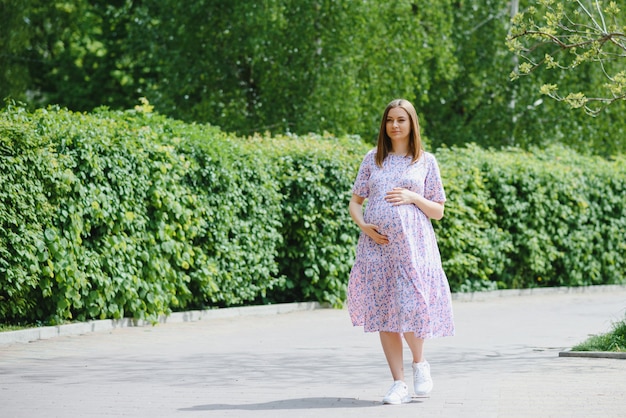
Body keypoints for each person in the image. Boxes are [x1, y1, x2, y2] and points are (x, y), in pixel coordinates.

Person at [347, 98, 455, 405]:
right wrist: (365, 226)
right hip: (377, 247)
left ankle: (419, 363)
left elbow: (438, 211)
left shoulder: (425, 160)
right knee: (385, 313)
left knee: (411, 305)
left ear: (412, 124)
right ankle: (398, 384)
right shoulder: (372, 159)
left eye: (401, 120)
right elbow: (356, 202)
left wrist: (412, 196)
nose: (394, 125)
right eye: (390, 120)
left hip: (414, 248)